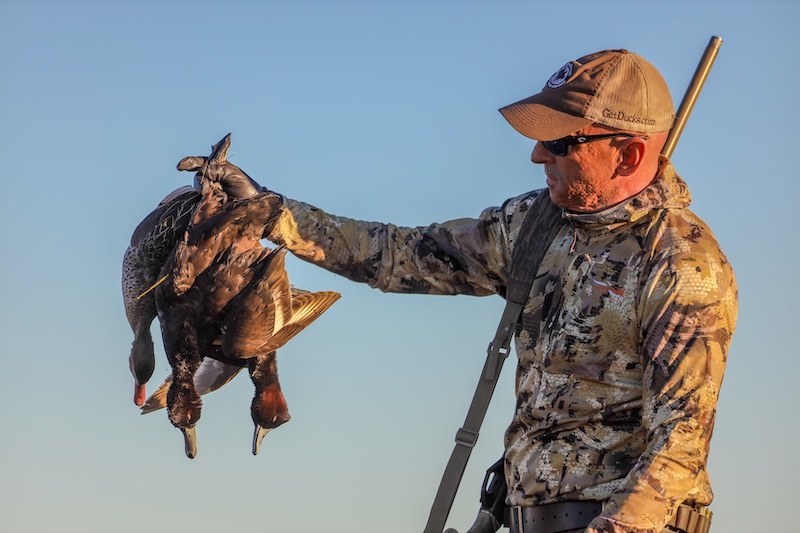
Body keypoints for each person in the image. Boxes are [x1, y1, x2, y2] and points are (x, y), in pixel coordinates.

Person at [218, 49, 738, 533]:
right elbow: (399, 254)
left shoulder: (682, 265)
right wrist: (272, 212)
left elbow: (679, 447)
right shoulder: (533, 224)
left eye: (559, 142)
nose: (537, 156)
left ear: (627, 156)